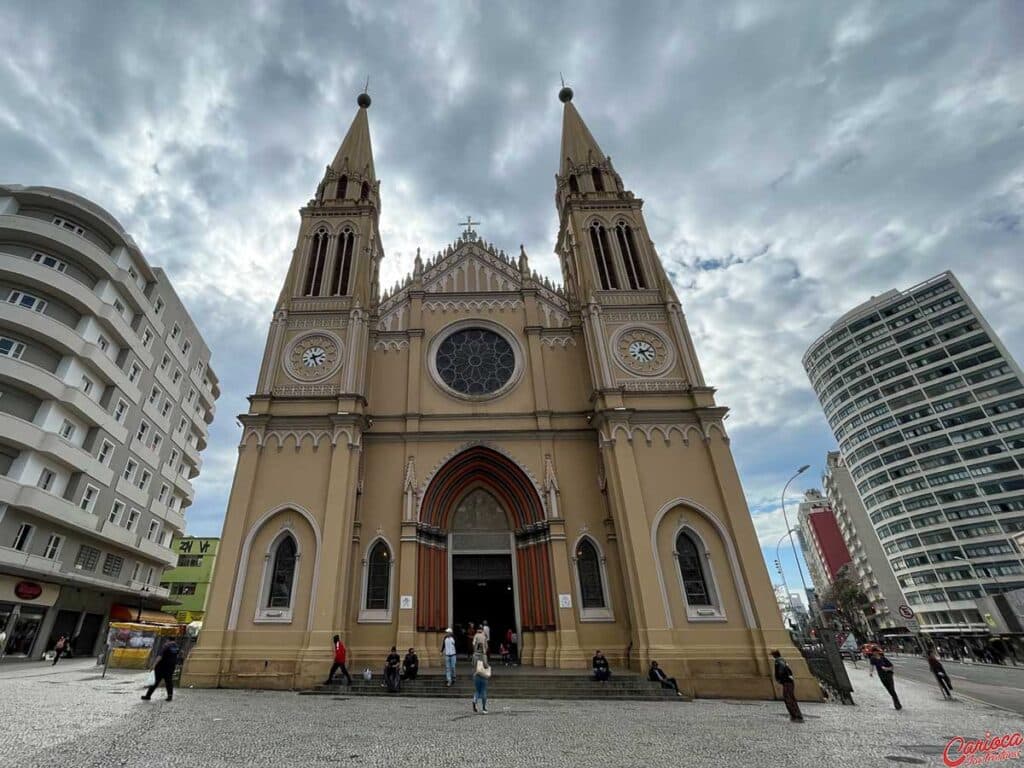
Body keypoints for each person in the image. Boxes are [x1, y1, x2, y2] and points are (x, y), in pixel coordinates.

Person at [770, 651, 803, 721]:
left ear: (775, 655)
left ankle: (795, 715)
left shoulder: (778, 660)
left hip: (787, 681)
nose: (772, 656)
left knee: (788, 698)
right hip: (789, 681)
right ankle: (797, 714)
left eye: (772, 655)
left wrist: (779, 677)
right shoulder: (782, 660)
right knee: (790, 698)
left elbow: (781, 668)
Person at [471, 624, 489, 713]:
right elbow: (485, 665)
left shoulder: (474, 655)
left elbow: (473, 664)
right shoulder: (484, 655)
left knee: (477, 690)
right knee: (484, 690)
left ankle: (474, 700)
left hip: (476, 674)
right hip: (483, 674)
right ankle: (484, 708)